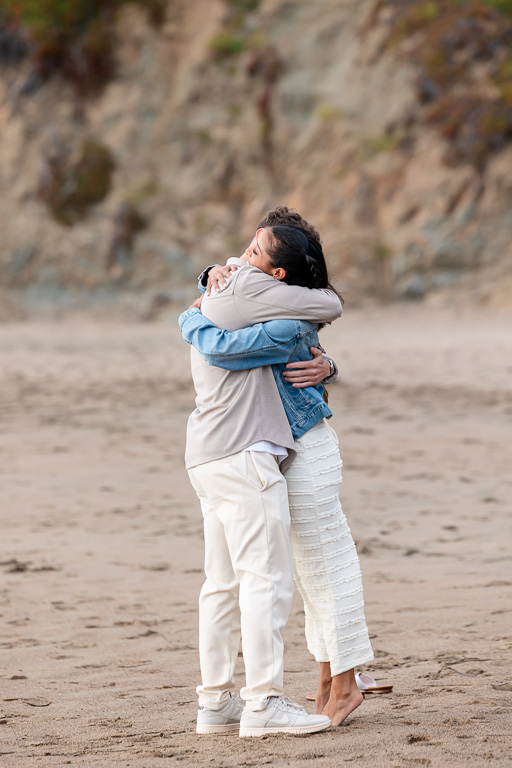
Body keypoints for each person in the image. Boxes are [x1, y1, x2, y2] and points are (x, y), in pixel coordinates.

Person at [180, 217, 374, 728]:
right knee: (291, 571)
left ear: (278, 274)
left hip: (298, 442)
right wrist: (206, 286)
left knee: (317, 562)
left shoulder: (266, 307)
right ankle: (305, 687)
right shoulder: (253, 297)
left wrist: (193, 316)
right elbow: (230, 328)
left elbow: (227, 337)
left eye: (255, 251)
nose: (240, 259)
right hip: (256, 448)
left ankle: (334, 681)